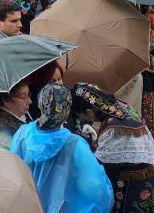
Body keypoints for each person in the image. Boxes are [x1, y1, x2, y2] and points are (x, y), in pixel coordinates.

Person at [11, 83, 114, 212]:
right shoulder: (75, 145)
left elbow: (12, 175)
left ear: (40, 104)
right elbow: (96, 189)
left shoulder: (22, 134)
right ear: (67, 109)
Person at [73, 83, 154, 212]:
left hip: (135, 187)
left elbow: (101, 168)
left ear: (89, 112)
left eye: (83, 117)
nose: (84, 120)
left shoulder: (113, 129)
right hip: (152, 176)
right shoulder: (119, 107)